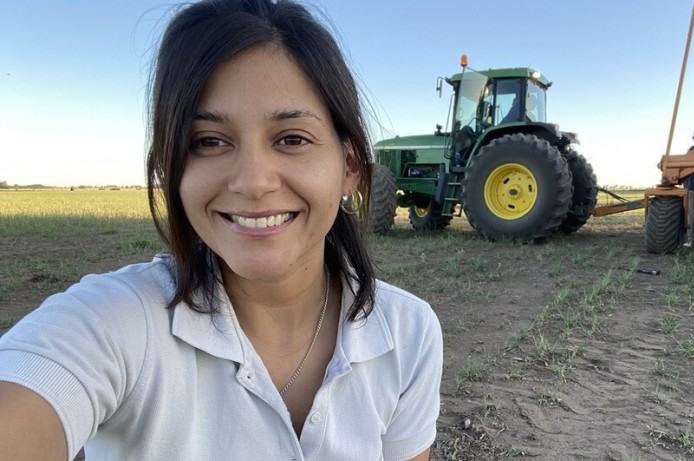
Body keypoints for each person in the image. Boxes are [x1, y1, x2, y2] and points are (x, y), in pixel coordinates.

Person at [0, 1, 443, 460]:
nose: (252, 181)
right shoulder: (111, 325)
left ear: (350, 165)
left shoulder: (408, 333)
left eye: (291, 138)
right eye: (208, 142)